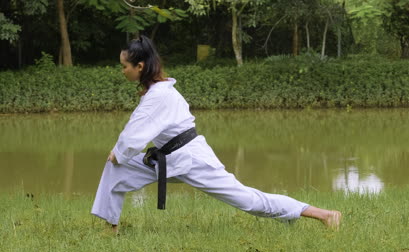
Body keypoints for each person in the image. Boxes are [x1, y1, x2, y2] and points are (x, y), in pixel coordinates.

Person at [91, 35, 342, 233]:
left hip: (192, 160)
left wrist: (119, 152)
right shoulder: (158, 91)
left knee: (248, 201)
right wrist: (119, 156)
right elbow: (136, 131)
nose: (122, 70)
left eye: (124, 66)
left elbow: (134, 134)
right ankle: (110, 228)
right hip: (168, 158)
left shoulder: (159, 95)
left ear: (140, 66)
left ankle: (322, 214)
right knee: (117, 169)